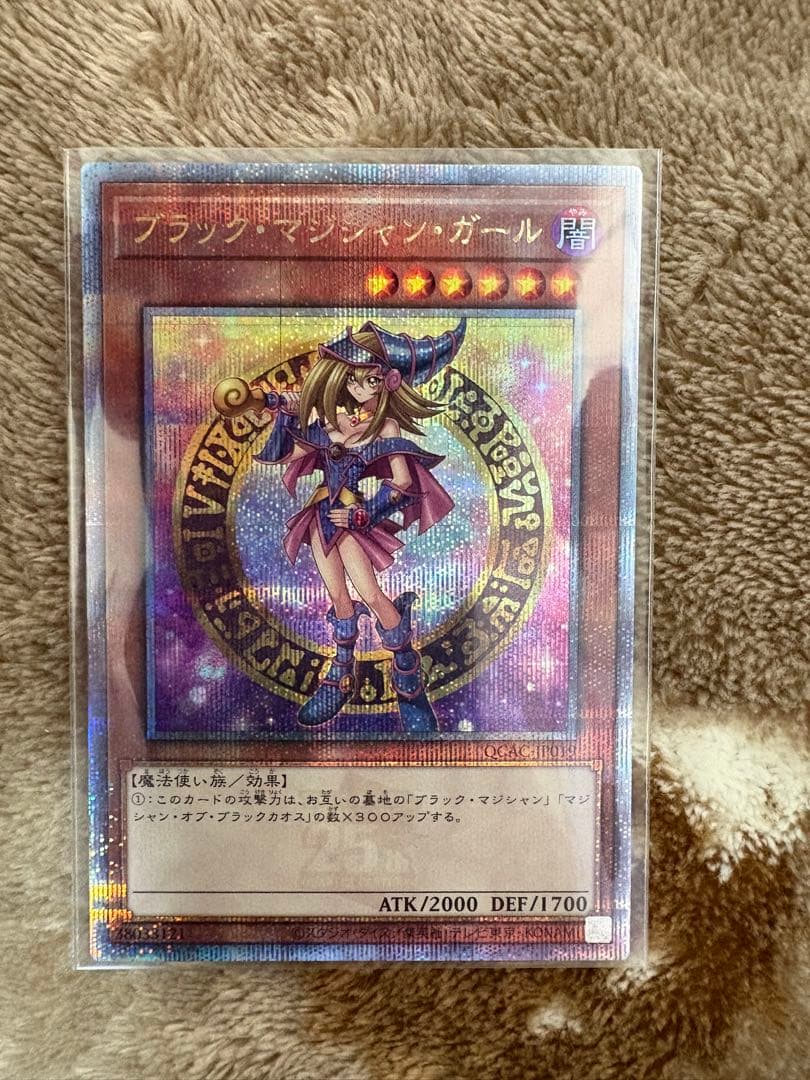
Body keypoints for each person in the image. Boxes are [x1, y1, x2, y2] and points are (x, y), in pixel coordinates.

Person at [213, 318, 466, 734]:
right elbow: (289, 433)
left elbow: (403, 482)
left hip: (352, 519)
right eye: (352, 378)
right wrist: (273, 407)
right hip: (319, 517)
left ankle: (408, 679)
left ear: (388, 382)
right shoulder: (330, 419)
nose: (359, 388)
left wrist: (364, 514)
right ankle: (340, 676)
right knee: (338, 597)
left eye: (369, 380)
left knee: (371, 594)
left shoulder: (384, 427)